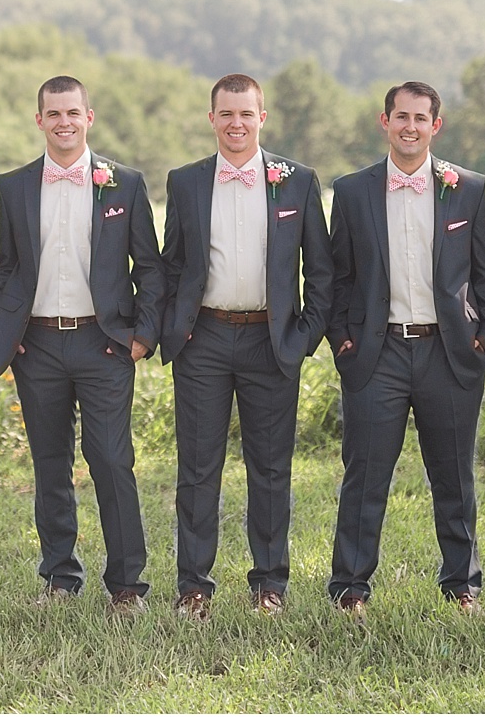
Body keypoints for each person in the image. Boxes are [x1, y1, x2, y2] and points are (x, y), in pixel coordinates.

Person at [0, 75, 164, 615]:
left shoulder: (122, 184)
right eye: (53, 114)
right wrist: (7, 338)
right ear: (39, 120)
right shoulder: (12, 186)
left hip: (104, 344)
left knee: (110, 458)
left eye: (72, 113)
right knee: (49, 463)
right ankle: (60, 577)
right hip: (36, 346)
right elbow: (2, 268)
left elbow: (149, 267)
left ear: (89, 117)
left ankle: (127, 585)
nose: (63, 122)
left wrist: (142, 337)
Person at [323, 81, 485, 620]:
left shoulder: (466, 189)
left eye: (420, 118)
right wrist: (343, 342)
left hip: (447, 354)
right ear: (385, 122)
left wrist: (483, 342)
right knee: (365, 475)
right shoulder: (353, 191)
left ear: (435, 126)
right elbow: (337, 276)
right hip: (376, 355)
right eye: (400, 116)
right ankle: (350, 588)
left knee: (454, 475)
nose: (410, 127)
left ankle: (462, 584)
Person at [160, 72, 332, 619]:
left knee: (271, 467)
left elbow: (321, 273)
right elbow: (171, 264)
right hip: (204, 339)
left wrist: (302, 337)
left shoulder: (297, 182)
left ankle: (269, 586)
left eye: (247, 114)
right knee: (198, 466)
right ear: (212, 118)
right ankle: (194, 587)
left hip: (271, 340)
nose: (237, 123)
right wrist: (175, 332)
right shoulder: (185, 182)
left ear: (263, 118)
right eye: (227, 114)